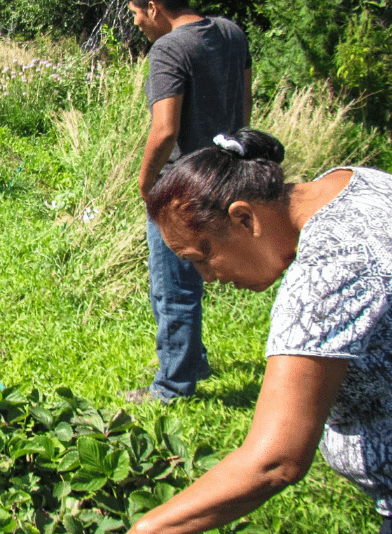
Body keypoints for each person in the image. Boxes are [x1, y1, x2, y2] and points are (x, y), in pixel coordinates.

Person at [108, 128, 392, 534]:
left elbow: (275, 461)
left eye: (201, 258)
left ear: (244, 218)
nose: (209, 278)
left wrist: (144, 533)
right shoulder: (354, 182)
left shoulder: (326, 275)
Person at [124, 0, 252, 403]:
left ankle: (172, 387)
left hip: (180, 188)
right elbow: (245, 107)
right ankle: (193, 361)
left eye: (135, 12)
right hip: (221, 174)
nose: (137, 22)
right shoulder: (231, 33)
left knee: (173, 287)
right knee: (187, 280)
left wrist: (147, 184)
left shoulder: (169, 48)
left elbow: (165, 130)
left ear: (153, 6)